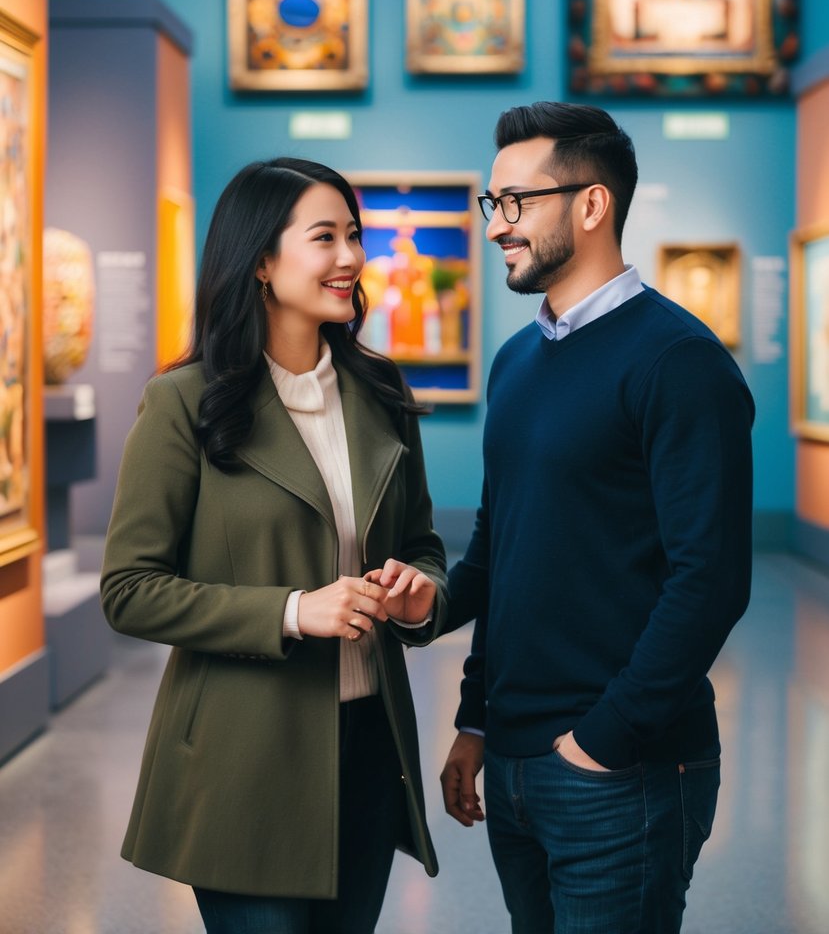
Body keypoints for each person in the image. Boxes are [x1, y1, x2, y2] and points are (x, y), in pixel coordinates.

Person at [101, 157, 447, 934]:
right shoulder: (182, 402)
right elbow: (128, 589)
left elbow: (424, 545)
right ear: (260, 259)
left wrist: (421, 594)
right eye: (324, 236)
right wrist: (295, 611)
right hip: (241, 757)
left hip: (367, 749)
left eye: (353, 235)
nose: (351, 258)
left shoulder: (382, 391)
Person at [439, 102, 754, 934]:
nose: (497, 226)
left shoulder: (678, 363)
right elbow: (498, 556)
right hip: (512, 760)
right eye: (492, 203)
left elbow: (710, 580)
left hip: (619, 769)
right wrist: (477, 717)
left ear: (590, 205)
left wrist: (601, 744)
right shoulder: (516, 362)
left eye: (517, 202)